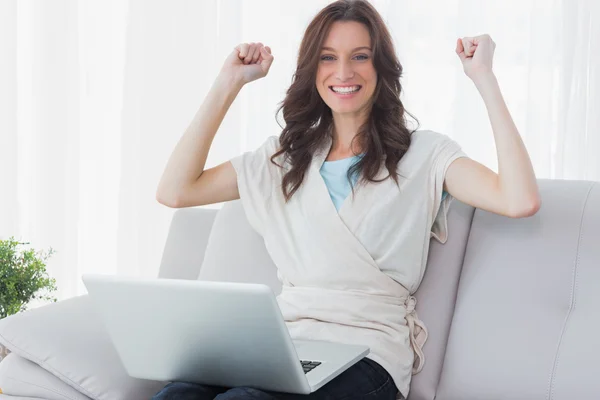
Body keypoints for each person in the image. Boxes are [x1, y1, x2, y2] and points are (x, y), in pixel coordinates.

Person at [154, 0, 541, 398]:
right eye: (328, 58)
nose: (343, 72)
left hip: (369, 356)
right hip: (289, 346)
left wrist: (484, 79)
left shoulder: (426, 155)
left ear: (381, 67)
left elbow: (518, 199)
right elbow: (176, 190)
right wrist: (228, 82)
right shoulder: (282, 161)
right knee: (175, 394)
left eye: (360, 57)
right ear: (312, 69)